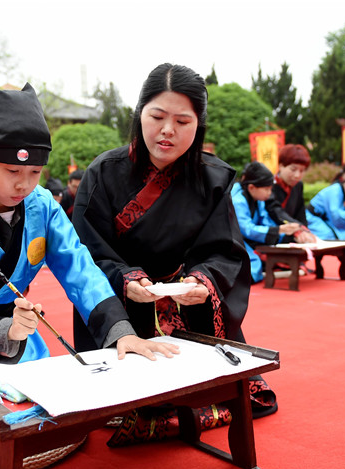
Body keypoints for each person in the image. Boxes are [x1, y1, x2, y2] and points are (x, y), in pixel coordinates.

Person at [0, 82, 176, 458]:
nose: (24, 184)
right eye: (13, 170)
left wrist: (119, 330)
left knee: (46, 415)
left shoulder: (42, 204)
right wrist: (8, 329)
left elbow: (79, 268)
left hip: (19, 329)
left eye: (35, 172)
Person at [71, 63, 277, 445]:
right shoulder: (103, 172)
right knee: (114, 403)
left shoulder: (213, 178)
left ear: (198, 125)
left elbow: (225, 250)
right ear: (140, 115)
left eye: (183, 120)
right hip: (122, 299)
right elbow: (86, 252)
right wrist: (127, 279)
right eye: (158, 116)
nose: (168, 130)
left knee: (249, 397)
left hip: (186, 303)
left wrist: (203, 282)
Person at [230, 162, 301, 282]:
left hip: (247, 238)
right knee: (253, 264)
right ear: (251, 187)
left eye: (270, 189)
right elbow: (246, 228)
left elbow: (265, 220)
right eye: (267, 189)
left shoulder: (258, 199)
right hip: (233, 238)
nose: (270, 193)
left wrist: (283, 232)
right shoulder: (238, 200)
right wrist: (278, 230)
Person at [266, 144, 317, 243]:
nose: (297, 175)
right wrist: (298, 227)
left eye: (302, 171)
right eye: (293, 169)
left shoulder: (298, 185)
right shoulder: (269, 185)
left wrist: (305, 230)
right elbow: (275, 210)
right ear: (281, 166)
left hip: (293, 230)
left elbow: (300, 212)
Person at [306, 170, 345, 240]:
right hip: (313, 218)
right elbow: (335, 214)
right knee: (329, 235)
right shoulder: (335, 190)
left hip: (327, 219)